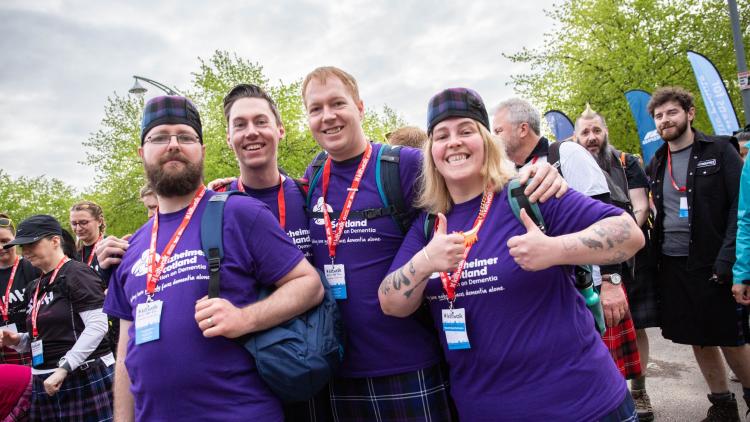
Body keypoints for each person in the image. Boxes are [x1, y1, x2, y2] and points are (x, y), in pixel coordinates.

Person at [301, 67, 566, 421]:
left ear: (360, 107)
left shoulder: (404, 165)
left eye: (338, 103)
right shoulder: (313, 177)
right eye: (316, 109)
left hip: (411, 365)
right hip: (337, 372)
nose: (328, 116)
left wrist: (531, 173)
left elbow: (472, 180)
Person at [379, 87, 645, 421]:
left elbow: (629, 234)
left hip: (584, 405)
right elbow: (390, 302)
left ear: (487, 142)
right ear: (431, 151)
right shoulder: (429, 225)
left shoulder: (529, 193)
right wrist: (425, 261)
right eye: (442, 135)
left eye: (466, 131)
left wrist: (555, 250)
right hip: (485, 409)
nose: (454, 142)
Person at [103, 95, 323, 421]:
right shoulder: (133, 245)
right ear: (142, 153)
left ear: (202, 151)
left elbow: (310, 285)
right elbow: (125, 351)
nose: (173, 145)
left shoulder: (239, 212)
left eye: (186, 136)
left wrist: (245, 318)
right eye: (159, 137)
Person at [493, 98, 642, 382]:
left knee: (604, 373)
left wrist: (611, 282)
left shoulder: (566, 152)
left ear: (522, 129)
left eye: (498, 130)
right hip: (553, 291)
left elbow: (607, 212)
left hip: (592, 286)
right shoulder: (512, 173)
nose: (494, 137)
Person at [645, 86, 750, 421]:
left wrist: (729, 260)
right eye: (659, 116)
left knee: (730, 338)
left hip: (714, 261)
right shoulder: (657, 161)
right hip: (674, 265)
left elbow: (739, 209)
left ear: (689, 114)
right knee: (698, 339)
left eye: (671, 112)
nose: (665, 120)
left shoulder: (720, 149)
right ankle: (723, 407)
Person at [574, 104, 656, 421]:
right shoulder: (567, 165)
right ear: (576, 137)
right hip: (590, 260)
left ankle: (640, 391)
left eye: (597, 131)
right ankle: (608, 396)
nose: (592, 137)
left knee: (632, 324)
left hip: (627, 256)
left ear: (605, 132)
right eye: (586, 132)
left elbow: (640, 208)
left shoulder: (626, 162)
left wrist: (616, 239)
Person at [0, 214, 113, 422]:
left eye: (32, 244)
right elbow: (43, 335)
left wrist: (65, 367)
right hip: (44, 379)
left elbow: (98, 325)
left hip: (81, 375)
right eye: (22, 246)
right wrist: (18, 341)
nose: (25, 252)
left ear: (54, 241)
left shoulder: (77, 273)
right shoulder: (35, 285)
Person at [0, 214, 40, 366]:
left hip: (31, 345)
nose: (1, 247)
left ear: (15, 239)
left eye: (5, 241)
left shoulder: (33, 267)